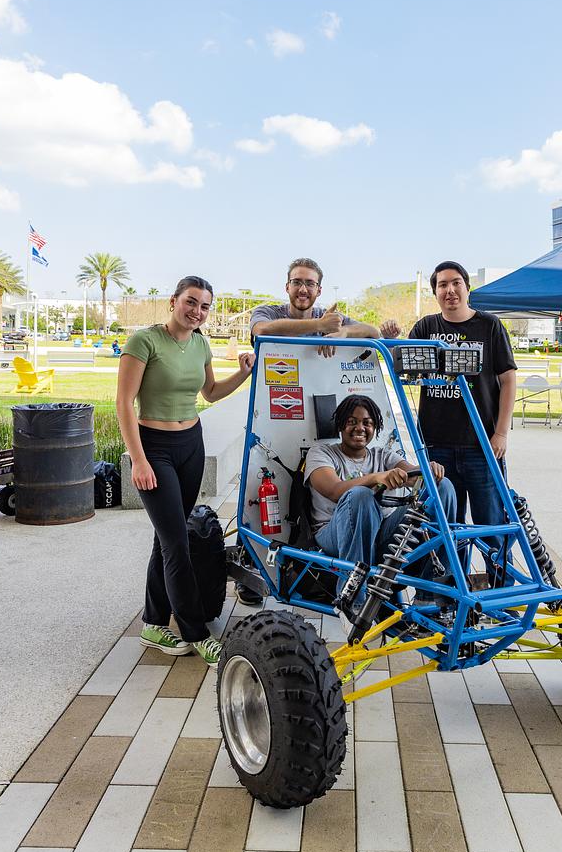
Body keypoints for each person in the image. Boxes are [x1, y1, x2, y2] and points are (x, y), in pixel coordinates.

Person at [116, 275, 255, 662]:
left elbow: (209, 393)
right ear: (173, 301)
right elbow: (124, 404)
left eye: (205, 306)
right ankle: (195, 632)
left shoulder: (200, 343)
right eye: (191, 302)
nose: (197, 312)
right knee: (178, 543)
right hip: (154, 448)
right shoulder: (144, 341)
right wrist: (139, 459)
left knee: (168, 537)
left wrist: (243, 373)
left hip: (190, 444)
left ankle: (153, 623)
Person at [410, 261, 517, 577]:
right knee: (445, 530)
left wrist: (500, 433)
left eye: (455, 283)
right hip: (437, 447)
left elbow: (508, 380)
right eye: (442, 285)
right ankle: (452, 597)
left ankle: (501, 596)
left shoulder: (490, 326)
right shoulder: (425, 329)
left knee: (493, 528)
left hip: (482, 446)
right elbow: (405, 368)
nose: (450, 290)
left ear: (467, 288)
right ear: (435, 293)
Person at [305, 394, 456, 595]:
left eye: (367, 423)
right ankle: (353, 598)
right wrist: (376, 478)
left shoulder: (382, 454)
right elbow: (334, 490)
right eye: (352, 422)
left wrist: (428, 471)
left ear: (374, 428)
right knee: (360, 496)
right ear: (340, 425)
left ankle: (431, 597)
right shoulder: (321, 453)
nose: (360, 428)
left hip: (381, 533)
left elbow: (412, 475)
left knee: (442, 486)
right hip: (333, 534)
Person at [251, 257, 399, 344]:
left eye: (310, 284)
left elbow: (372, 332)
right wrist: (319, 325)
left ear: (319, 290)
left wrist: (344, 332)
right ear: (287, 287)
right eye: (296, 282)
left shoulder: (330, 318)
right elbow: (260, 330)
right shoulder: (267, 312)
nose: (303, 289)